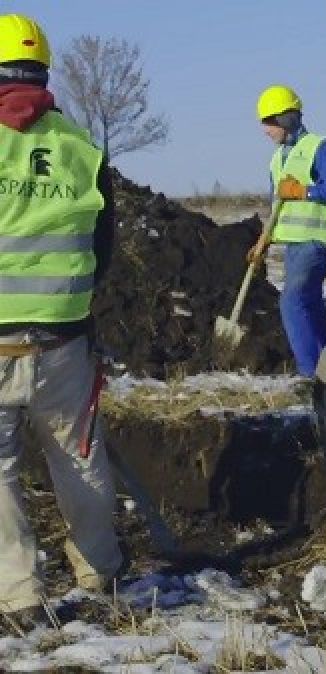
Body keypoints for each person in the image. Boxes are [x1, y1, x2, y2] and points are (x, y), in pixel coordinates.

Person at [0, 14, 124, 629]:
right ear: (43, 71)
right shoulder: (80, 145)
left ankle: (21, 597)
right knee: (79, 458)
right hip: (64, 340)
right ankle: (99, 575)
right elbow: (103, 247)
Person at [247, 85, 326, 379]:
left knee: (292, 301)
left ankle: (309, 377)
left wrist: (303, 190)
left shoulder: (321, 148)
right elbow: (277, 207)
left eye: (268, 122)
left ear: (285, 118)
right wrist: (263, 240)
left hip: (317, 245)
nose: (265, 130)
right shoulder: (277, 159)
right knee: (310, 306)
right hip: (294, 247)